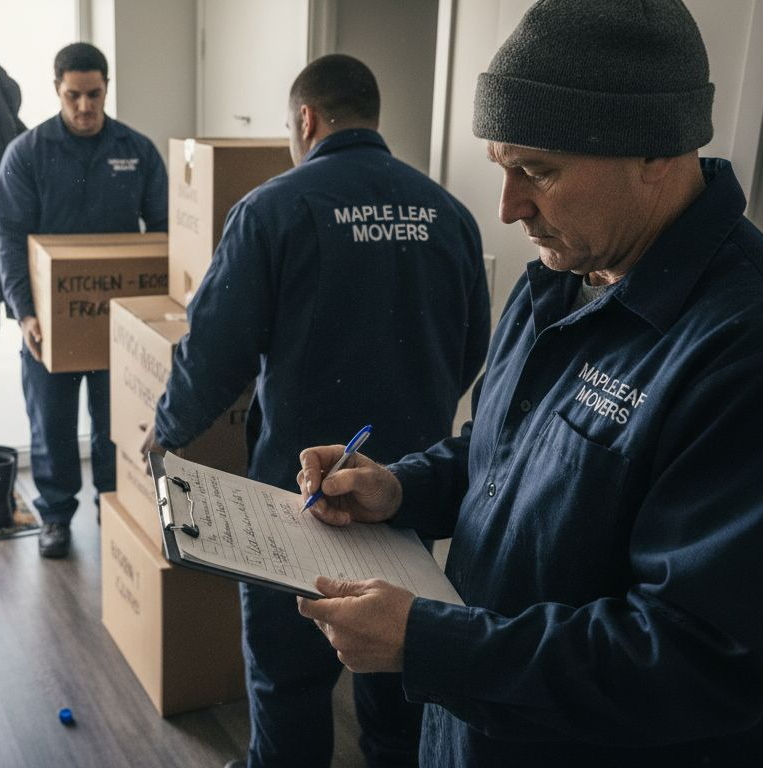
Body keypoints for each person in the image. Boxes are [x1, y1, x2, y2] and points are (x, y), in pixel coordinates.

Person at [294, 2, 763, 767]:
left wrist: (428, 640)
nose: (509, 207)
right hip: (471, 736)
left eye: (537, 171)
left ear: (656, 152)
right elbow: (502, 455)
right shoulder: (560, 279)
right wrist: (399, 488)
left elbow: (697, 661)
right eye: (503, 166)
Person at [146, 55, 491, 768]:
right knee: (398, 687)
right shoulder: (449, 215)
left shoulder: (273, 209)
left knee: (287, 685)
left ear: (306, 120)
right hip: (405, 497)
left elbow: (215, 351)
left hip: (297, 503)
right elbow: (471, 351)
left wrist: (166, 433)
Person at [0, 43, 167, 558]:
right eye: (74, 96)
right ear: (57, 90)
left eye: (94, 94)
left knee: (117, 425)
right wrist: (24, 312)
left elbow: (162, 231)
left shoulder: (136, 151)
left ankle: (112, 508)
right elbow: (8, 236)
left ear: (106, 88)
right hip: (50, 321)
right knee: (52, 424)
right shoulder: (27, 152)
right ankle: (55, 516)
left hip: (121, 324)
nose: (85, 107)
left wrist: (155, 315)